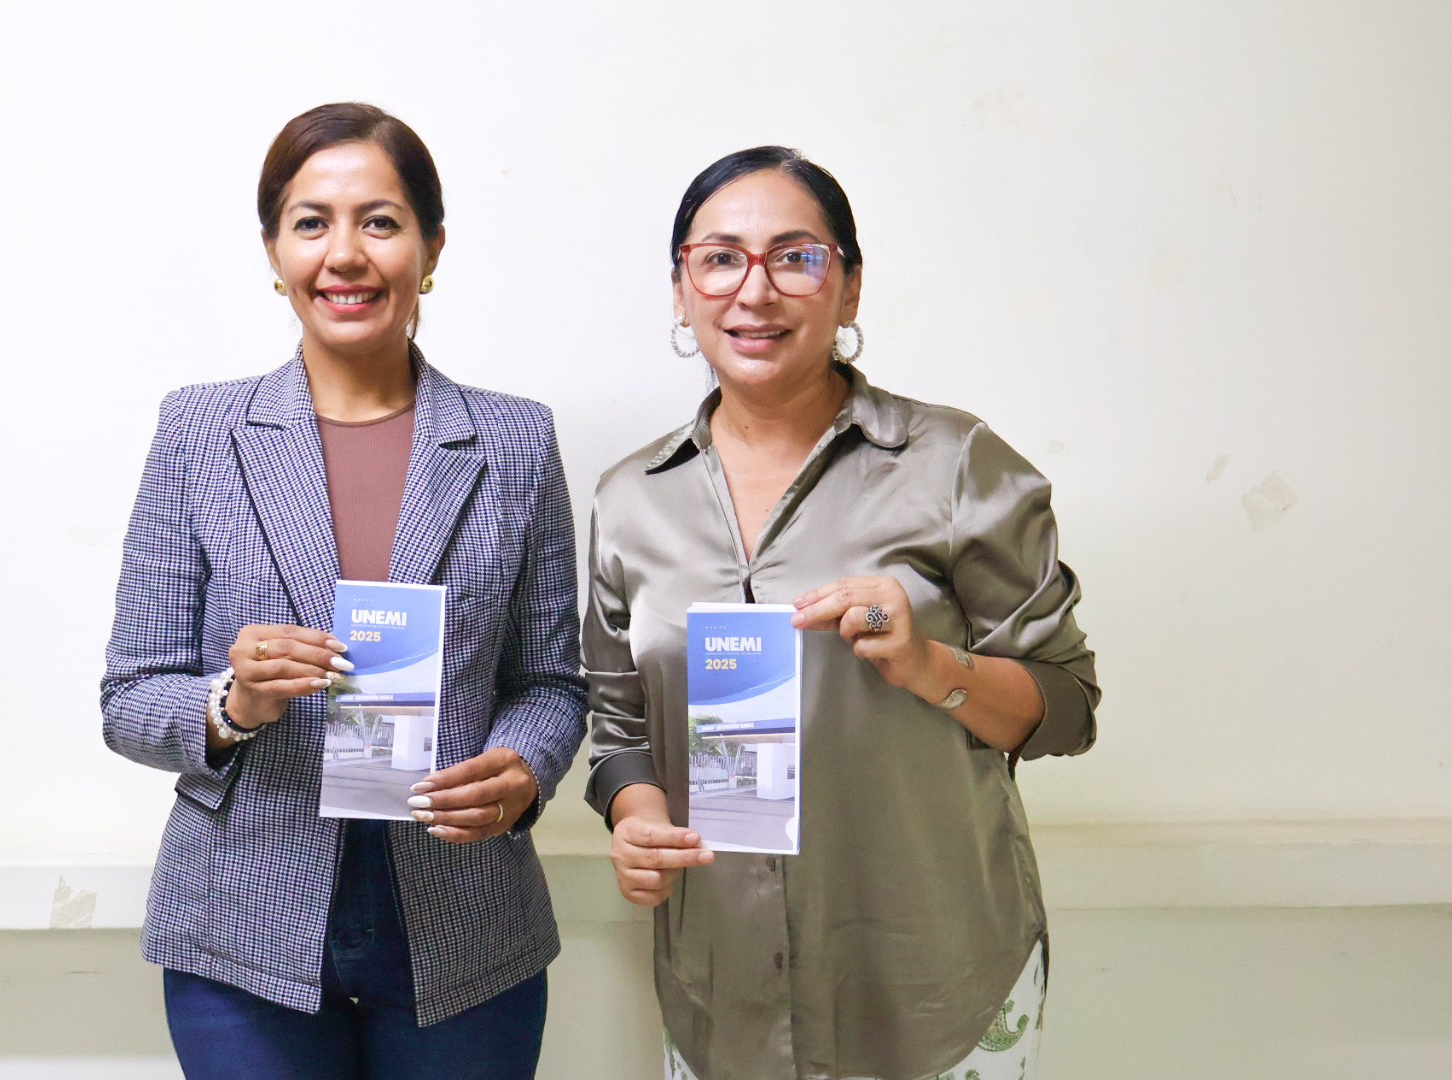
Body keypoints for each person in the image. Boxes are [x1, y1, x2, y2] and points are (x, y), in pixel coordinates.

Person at [583, 146, 1100, 1080]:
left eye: (796, 257)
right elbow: (619, 725)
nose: (755, 290)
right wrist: (637, 816)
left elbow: (1067, 709)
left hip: (932, 988)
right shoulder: (631, 499)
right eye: (720, 258)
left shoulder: (955, 465)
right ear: (681, 291)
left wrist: (929, 665)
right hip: (723, 988)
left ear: (850, 287)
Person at [101, 102, 586, 1080]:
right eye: (312, 222)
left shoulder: (515, 441)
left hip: (463, 917)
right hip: (241, 921)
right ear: (275, 251)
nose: (345, 254)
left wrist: (524, 769)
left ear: (431, 246)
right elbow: (129, 697)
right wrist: (232, 704)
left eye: (381, 221)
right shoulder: (199, 433)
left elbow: (551, 682)